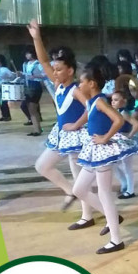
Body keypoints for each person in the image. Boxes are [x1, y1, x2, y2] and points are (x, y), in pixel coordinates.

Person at [26, 19, 110, 233]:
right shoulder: (57, 85)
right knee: (43, 166)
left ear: (70, 70)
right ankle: (74, 197)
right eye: (54, 69)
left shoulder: (75, 89)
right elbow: (43, 61)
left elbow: (90, 108)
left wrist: (77, 125)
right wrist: (37, 38)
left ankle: (88, 214)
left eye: (59, 69)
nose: (54, 72)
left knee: (77, 176)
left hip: (77, 136)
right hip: (62, 134)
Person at [75, 67, 138, 254]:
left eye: (82, 82)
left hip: (102, 150)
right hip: (94, 151)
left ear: (91, 84)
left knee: (104, 193)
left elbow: (118, 120)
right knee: (78, 189)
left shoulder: (101, 101)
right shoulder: (93, 102)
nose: (80, 85)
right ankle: (113, 218)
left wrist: (104, 138)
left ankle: (116, 239)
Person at [110, 90, 138, 199]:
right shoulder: (114, 112)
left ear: (123, 102)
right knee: (113, 163)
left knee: (126, 166)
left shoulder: (123, 113)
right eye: (112, 100)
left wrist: (129, 136)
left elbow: (137, 125)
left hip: (124, 141)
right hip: (116, 141)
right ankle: (124, 183)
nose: (113, 102)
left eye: (116, 100)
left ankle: (130, 190)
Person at [20, 45, 45, 136]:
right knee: (30, 109)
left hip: (35, 86)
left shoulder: (38, 64)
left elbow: (44, 75)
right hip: (27, 86)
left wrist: (34, 76)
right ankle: (37, 128)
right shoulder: (25, 64)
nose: (27, 55)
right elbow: (25, 75)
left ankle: (37, 129)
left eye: (28, 53)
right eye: (26, 54)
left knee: (32, 109)